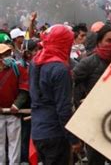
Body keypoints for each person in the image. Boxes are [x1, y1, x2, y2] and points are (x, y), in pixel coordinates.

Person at [29, 25, 82, 164]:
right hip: (55, 133)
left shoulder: (35, 62)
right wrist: (73, 140)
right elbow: (63, 109)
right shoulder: (60, 69)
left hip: (38, 131)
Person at [73, 25, 111, 164]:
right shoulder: (89, 62)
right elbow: (71, 83)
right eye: (109, 40)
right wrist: (79, 104)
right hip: (96, 123)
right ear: (99, 42)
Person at [0, 44, 29, 164]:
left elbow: (24, 90)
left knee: (14, 143)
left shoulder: (18, 69)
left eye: (8, 54)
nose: (7, 57)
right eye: (4, 55)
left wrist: (16, 105)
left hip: (14, 113)